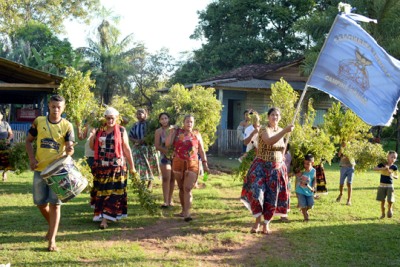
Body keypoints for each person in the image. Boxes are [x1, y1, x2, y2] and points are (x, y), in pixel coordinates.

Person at [25, 95, 75, 252]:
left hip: (57, 172)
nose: (56, 109)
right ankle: (52, 226)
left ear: (63, 108)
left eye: (59, 107)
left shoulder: (67, 125)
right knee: (40, 203)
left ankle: (52, 239)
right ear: (49, 106)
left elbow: (70, 148)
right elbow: (28, 141)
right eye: (53, 106)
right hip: (40, 170)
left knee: (55, 205)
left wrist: (69, 150)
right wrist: (32, 159)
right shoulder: (39, 121)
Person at [241, 107, 294, 234]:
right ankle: (257, 222)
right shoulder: (264, 129)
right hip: (261, 167)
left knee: (272, 197)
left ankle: (266, 224)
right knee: (257, 193)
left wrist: (282, 162)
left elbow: (282, 149)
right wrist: (285, 131)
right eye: (272, 115)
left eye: (277, 115)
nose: (275, 117)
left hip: (276, 168)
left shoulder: (282, 131)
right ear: (268, 117)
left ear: (279, 117)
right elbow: (269, 141)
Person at [89, 107, 136, 229]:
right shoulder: (100, 130)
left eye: (112, 118)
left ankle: (105, 219)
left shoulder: (121, 130)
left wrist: (132, 166)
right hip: (102, 166)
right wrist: (93, 135)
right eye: (108, 118)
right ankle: (104, 216)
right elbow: (92, 147)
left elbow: (126, 148)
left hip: (116, 166)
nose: (110, 120)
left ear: (116, 118)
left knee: (113, 192)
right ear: (105, 118)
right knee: (102, 191)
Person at [166, 114, 209, 222]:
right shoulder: (177, 132)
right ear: (183, 123)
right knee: (181, 188)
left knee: (187, 188)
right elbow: (167, 144)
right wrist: (171, 132)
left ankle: (187, 213)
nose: (189, 124)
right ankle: (183, 210)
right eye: (187, 122)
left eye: (191, 122)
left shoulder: (197, 134)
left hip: (192, 163)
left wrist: (205, 164)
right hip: (178, 162)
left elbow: (201, 150)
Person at [129, 108, 159, 189]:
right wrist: (137, 141)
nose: (139, 115)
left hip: (149, 148)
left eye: (141, 113)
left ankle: (150, 182)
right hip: (139, 148)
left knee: (150, 165)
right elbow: (130, 136)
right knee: (139, 165)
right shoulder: (135, 125)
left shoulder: (150, 124)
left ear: (145, 114)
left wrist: (145, 140)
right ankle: (141, 181)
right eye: (137, 114)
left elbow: (154, 134)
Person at [154, 112, 175, 208]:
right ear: (159, 121)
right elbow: (157, 146)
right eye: (162, 119)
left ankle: (170, 200)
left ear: (169, 119)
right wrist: (167, 152)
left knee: (172, 179)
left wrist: (173, 153)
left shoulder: (174, 130)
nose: (164, 120)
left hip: (175, 157)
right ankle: (165, 201)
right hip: (164, 157)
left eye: (166, 118)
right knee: (166, 178)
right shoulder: (158, 131)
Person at [373, 151, 398, 219]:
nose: (393, 159)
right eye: (392, 157)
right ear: (388, 157)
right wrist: (383, 168)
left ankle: (390, 209)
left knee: (390, 201)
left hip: (390, 186)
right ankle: (383, 213)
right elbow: (374, 168)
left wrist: (391, 174)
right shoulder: (382, 164)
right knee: (382, 201)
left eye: (395, 158)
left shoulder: (394, 167)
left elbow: (397, 176)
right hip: (382, 185)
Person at [295, 154, 316, 222]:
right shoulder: (301, 171)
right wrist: (298, 173)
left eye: (308, 164)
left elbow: (314, 179)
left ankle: (304, 210)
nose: (305, 165)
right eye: (304, 163)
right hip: (300, 190)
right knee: (303, 204)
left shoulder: (313, 171)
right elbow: (296, 175)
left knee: (311, 204)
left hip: (309, 191)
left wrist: (313, 187)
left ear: (312, 163)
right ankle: (305, 217)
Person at [336, 141, 355, 206]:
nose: (345, 144)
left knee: (349, 183)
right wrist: (342, 149)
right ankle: (341, 194)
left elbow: (353, 155)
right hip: (343, 167)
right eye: (343, 143)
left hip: (350, 167)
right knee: (341, 184)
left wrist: (348, 153)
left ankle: (349, 200)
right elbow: (339, 155)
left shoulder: (352, 148)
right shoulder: (342, 148)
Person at [0, 111, 13, 181]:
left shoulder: (5, 124)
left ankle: (4, 174)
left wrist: (8, 140)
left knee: (6, 161)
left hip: (5, 144)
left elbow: (11, 134)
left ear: (2, 116)